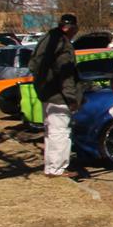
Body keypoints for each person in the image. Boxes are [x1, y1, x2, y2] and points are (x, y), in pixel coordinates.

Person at [27, 13, 80, 178]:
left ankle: (51, 167)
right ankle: (57, 168)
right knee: (61, 133)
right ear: (71, 28)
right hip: (59, 96)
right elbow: (66, 75)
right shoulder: (63, 45)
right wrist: (71, 98)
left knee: (50, 133)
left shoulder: (46, 40)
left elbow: (32, 65)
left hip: (46, 93)